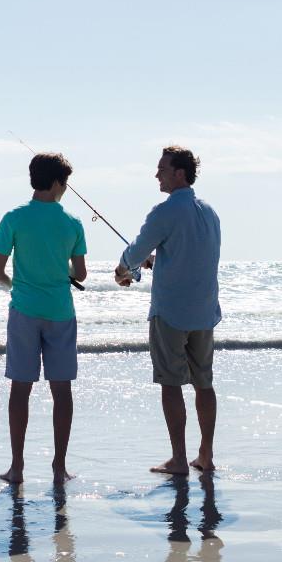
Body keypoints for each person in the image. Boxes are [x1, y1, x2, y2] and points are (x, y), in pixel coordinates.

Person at [115, 145, 221, 475]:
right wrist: (155, 262)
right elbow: (190, 258)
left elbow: (135, 252)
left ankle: (178, 459)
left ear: (179, 173)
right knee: (204, 383)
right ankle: (206, 454)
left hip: (171, 313)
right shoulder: (209, 213)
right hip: (204, 312)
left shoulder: (164, 212)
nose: (156, 174)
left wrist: (123, 270)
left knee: (171, 384)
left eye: (162, 169)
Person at [0, 152, 88, 485]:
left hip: (24, 312)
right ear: (58, 182)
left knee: (21, 388)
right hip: (61, 312)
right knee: (62, 390)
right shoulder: (72, 224)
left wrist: (16, 286)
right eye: (66, 183)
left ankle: (17, 467)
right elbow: (82, 273)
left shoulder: (13, 218)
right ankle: (59, 468)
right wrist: (63, 271)